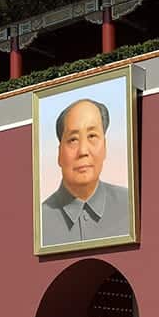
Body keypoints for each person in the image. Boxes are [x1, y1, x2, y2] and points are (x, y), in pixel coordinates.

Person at [40, 99, 131, 246]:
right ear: (59, 154)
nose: (83, 151)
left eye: (92, 136)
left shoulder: (130, 205)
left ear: (105, 146)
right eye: (73, 139)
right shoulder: (40, 220)